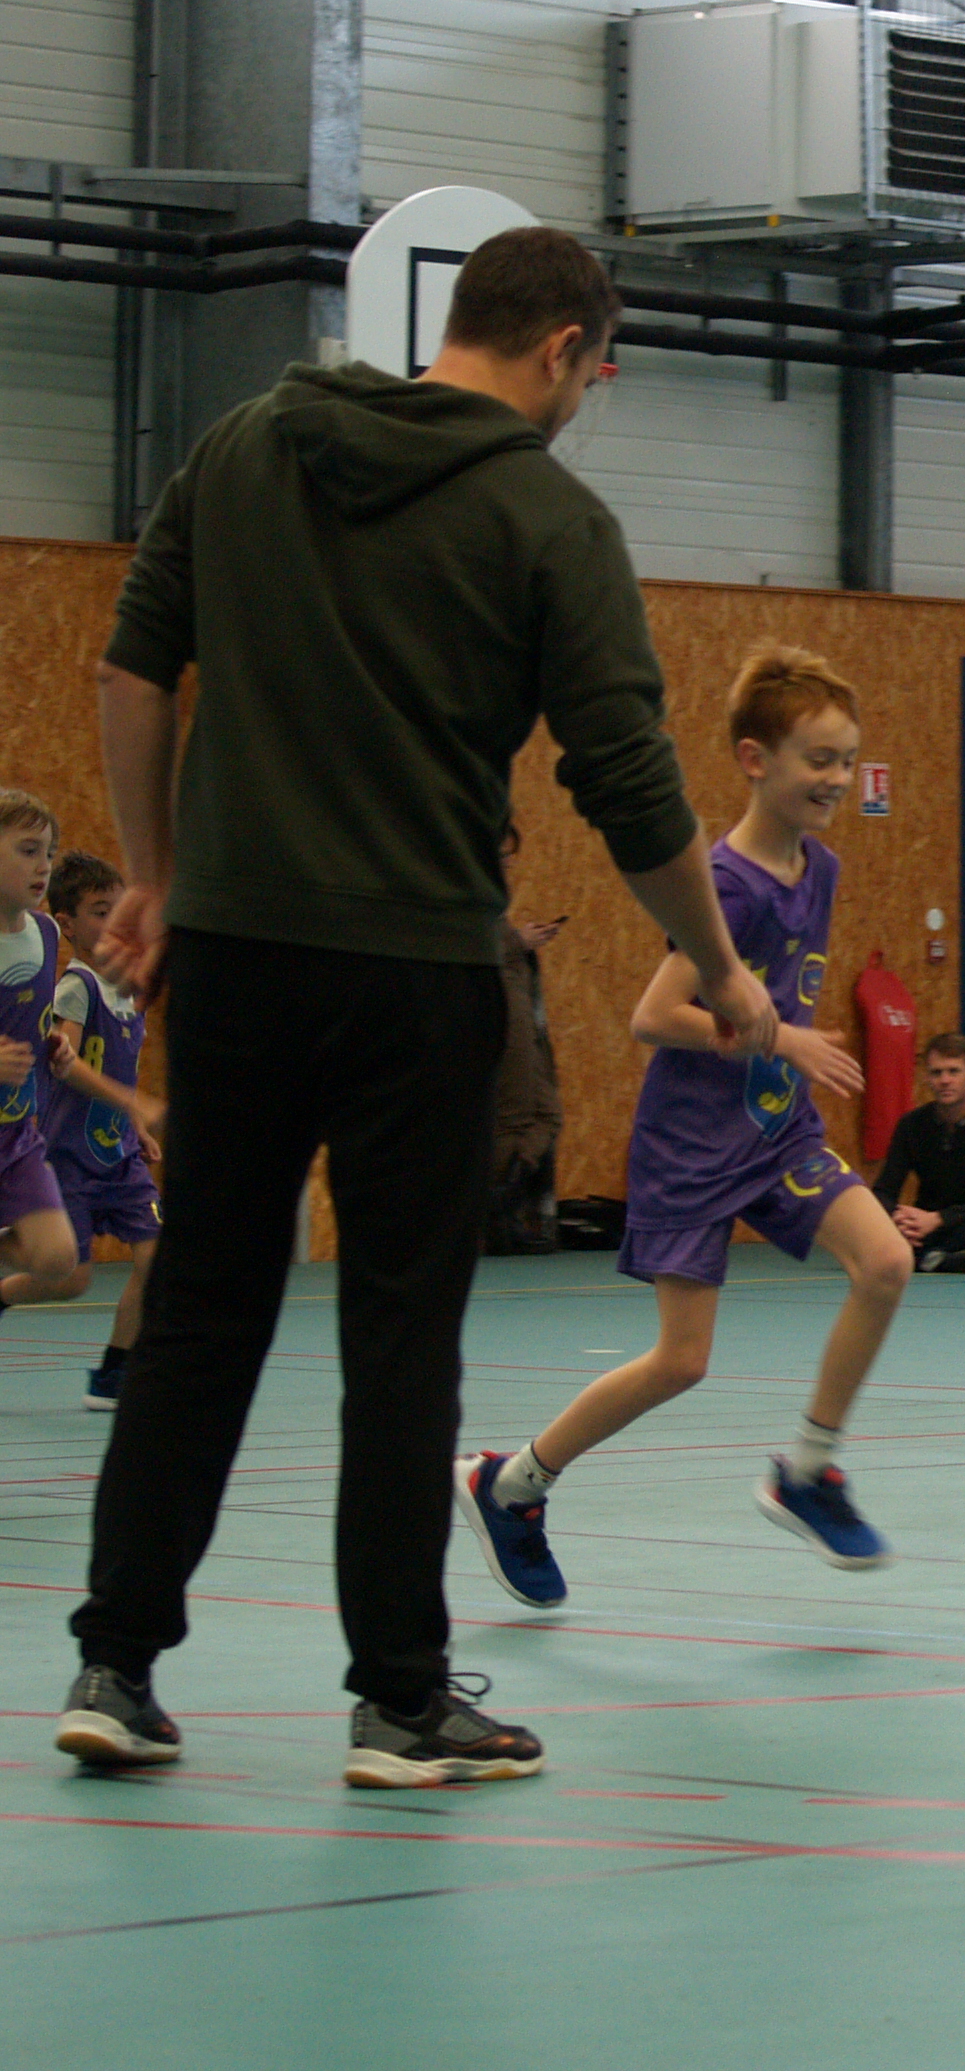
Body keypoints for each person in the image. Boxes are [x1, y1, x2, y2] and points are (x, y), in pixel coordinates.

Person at [53, 225, 777, 1788]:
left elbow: (131, 671)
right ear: (566, 348)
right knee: (398, 1334)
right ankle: (395, 1701)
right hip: (418, 974)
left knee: (201, 1307)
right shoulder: (548, 514)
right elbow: (625, 776)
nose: (589, 397)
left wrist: (158, 875)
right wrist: (719, 965)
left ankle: (115, 1665)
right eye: (599, 371)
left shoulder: (246, 445)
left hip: (235, 953)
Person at [458, 643, 911, 1608]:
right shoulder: (726, 884)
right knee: (681, 1361)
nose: (837, 778)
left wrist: (784, 1052)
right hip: (692, 1148)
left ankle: (808, 1471)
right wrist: (784, 1038)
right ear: (754, 759)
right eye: (817, 759)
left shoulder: (821, 869)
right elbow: (654, 1017)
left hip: (776, 1135)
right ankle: (512, 1484)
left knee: (885, 1262)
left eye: (846, 759)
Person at [33, 851, 166, 1406]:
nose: (112, 922)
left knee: (157, 1260)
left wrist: (133, 1126)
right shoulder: (78, 985)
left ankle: (113, 1373)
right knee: (72, 1278)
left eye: (118, 909)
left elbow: (119, 1067)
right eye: (99, 911)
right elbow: (66, 1062)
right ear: (67, 924)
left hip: (119, 1156)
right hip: (68, 1159)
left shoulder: (126, 989)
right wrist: (133, 1101)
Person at [0, 797, 89, 1334]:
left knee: (58, 1260)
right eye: (28, 851)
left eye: (49, 854)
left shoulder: (45, 934)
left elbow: (31, 1016)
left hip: (15, 1133)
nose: (43, 866)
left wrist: (55, 1043)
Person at [877, 1031, 965, 1273]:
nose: (945, 1080)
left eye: (953, 1071)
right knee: (876, 1228)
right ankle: (943, 1260)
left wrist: (939, 1219)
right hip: (923, 1228)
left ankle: (924, 1259)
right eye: (936, 1073)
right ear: (927, 1077)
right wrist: (898, 1218)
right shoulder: (911, 1125)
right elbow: (884, 1190)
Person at [489, 823, 565, 1255]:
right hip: (500, 1016)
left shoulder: (493, 907)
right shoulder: (468, 901)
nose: (508, 867)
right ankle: (494, 1218)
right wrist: (518, 942)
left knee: (546, 1113)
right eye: (502, 858)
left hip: (519, 1011)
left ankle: (510, 1211)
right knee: (515, 1118)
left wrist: (521, 942)